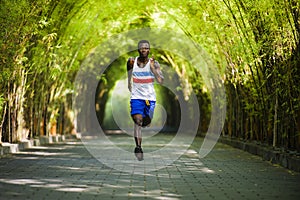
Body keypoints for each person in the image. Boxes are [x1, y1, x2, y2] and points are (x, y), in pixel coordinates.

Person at [127, 40, 164, 161]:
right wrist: (129, 83)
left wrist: (153, 68)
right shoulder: (132, 61)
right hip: (136, 97)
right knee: (138, 121)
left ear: (149, 50)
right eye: (142, 48)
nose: (144, 50)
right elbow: (129, 74)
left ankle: (147, 121)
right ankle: (138, 147)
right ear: (138, 50)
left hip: (149, 98)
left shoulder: (155, 63)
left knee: (146, 121)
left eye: (146, 48)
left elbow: (161, 81)